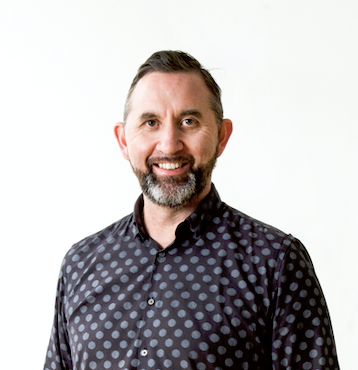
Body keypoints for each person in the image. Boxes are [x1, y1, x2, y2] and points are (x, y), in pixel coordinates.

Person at [43, 50, 340, 370]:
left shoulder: (275, 263)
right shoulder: (80, 264)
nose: (169, 144)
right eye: (150, 122)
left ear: (221, 137)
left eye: (189, 121)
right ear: (123, 140)